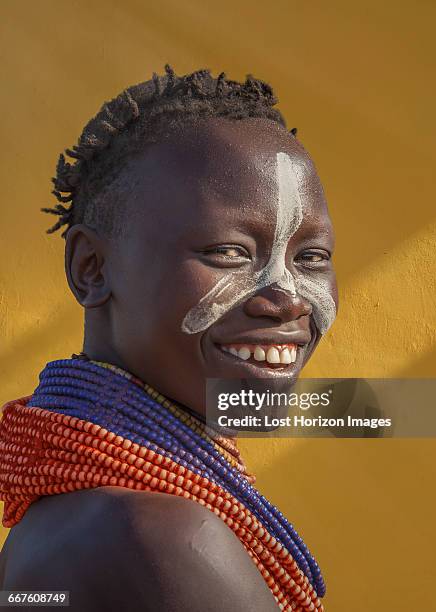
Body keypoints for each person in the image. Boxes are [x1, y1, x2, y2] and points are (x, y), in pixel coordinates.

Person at [0, 66, 338, 611]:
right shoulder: (161, 535)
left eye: (312, 258)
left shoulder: (61, 524)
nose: (289, 299)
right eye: (228, 252)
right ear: (92, 267)